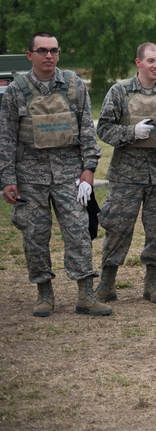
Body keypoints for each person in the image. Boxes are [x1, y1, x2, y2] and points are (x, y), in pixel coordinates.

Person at [0, 32, 109, 317]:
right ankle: (44, 294)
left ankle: (86, 295)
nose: (49, 56)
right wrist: (7, 179)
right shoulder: (16, 91)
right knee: (35, 236)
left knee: (79, 232)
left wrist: (89, 169)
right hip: (29, 178)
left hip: (69, 176)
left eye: (54, 50)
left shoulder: (73, 85)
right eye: (43, 51)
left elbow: (86, 128)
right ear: (30, 55)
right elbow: (7, 138)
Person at [95, 42, 156, 305]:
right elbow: (104, 128)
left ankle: (152, 284)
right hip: (126, 175)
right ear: (138, 62)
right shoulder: (120, 91)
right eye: (151, 61)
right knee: (118, 228)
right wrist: (130, 133)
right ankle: (107, 283)